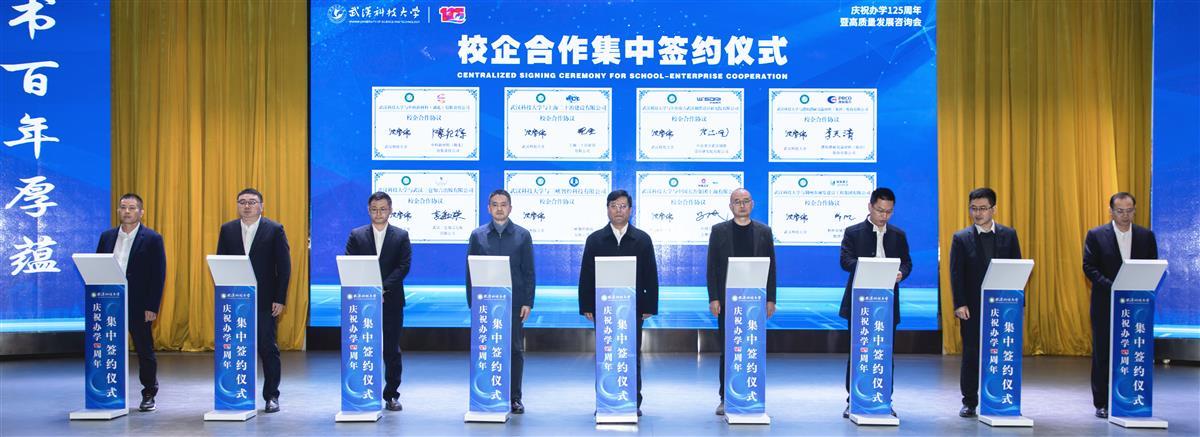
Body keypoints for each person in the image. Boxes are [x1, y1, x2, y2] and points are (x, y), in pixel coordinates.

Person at [578, 189, 659, 417]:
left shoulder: (642, 239)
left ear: (630, 210)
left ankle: (633, 400)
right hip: (603, 308)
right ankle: (605, 399)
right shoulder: (595, 239)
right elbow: (586, 274)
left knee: (631, 353)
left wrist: (649, 306)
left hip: (633, 309)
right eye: (613, 206)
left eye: (623, 206)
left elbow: (651, 274)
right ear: (607, 210)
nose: (618, 211)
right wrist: (586, 305)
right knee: (606, 355)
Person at [215, 188, 291, 413]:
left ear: (261, 206)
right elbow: (221, 263)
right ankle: (236, 393)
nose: (247, 206)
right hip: (234, 300)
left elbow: (284, 267)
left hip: (265, 300)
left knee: (267, 348)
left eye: (252, 202)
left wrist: (280, 298)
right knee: (235, 347)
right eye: (242, 202)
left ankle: (271, 396)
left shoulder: (274, 229)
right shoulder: (227, 229)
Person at [1082, 192, 1157, 419]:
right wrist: (1114, 287)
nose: (1125, 215)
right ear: (1111, 211)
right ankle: (1102, 403)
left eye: (1129, 211)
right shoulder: (1096, 235)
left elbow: (1152, 266)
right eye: (1120, 211)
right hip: (1105, 303)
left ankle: (1132, 397)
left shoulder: (1146, 236)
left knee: (1134, 351)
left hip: (1136, 305)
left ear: (1135, 210)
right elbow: (1089, 267)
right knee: (1103, 353)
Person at [838, 187, 911, 418]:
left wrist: (901, 273)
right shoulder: (853, 232)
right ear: (870, 206)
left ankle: (884, 399)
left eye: (888, 211)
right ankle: (854, 400)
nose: (883, 216)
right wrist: (870, 268)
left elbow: (907, 263)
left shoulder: (898, 235)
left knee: (884, 352)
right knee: (858, 351)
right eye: (880, 210)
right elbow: (845, 261)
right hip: (859, 302)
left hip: (887, 304)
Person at [949, 187, 1022, 418]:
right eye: (973, 208)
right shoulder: (961, 238)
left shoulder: (1009, 235)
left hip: (1003, 306)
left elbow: (1017, 268)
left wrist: (1018, 304)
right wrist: (959, 304)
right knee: (971, 354)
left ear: (993, 209)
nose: (977, 213)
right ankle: (970, 401)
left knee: (1002, 352)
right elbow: (956, 274)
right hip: (972, 307)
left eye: (982, 208)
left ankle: (1000, 396)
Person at [705, 188, 777, 416]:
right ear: (730, 206)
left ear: (752, 204)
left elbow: (771, 267)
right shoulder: (719, 231)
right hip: (728, 302)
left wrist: (771, 298)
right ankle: (726, 397)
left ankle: (752, 393)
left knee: (753, 348)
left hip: (755, 300)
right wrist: (714, 297)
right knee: (729, 349)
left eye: (746, 201)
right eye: (737, 201)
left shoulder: (764, 232)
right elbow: (712, 267)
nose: (742, 205)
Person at [466, 189, 535, 414]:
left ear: (510, 208)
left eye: (503, 204)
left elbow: (529, 272)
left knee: (514, 349)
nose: (499, 208)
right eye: (494, 204)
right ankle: (487, 393)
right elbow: (470, 271)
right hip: (485, 303)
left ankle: (514, 398)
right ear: (488, 208)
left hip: (514, 304)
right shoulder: (478, 235)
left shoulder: (523, 235)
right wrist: (472, 303)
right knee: (486, 348)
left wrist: (528, 302)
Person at [95, 193, 166, 412]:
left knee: (144, 350)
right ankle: (108, 390)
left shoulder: (152, 238)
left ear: (141, 212)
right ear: (118, 210)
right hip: (109, 302)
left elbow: (158, 275)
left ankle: (149, 392)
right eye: (123, 207)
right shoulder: (107, 237)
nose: (127, 211)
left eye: (132, 208)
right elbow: (97, 266)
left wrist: (152, 306)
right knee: (108, 347)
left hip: (139, 303)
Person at [344, 191, 412, 412]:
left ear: (390, 210)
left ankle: (391, 394)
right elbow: (351, 263)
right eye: (374, 209)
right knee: (363, 347)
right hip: (362, 301)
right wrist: (369, 289)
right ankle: (363, 391)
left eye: (383, 209)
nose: (379, 213)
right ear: (368, 210)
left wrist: (381, 288)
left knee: (391, 349)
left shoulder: (401, 235)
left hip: (391, 300)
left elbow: (403, 267)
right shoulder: (357, 235)